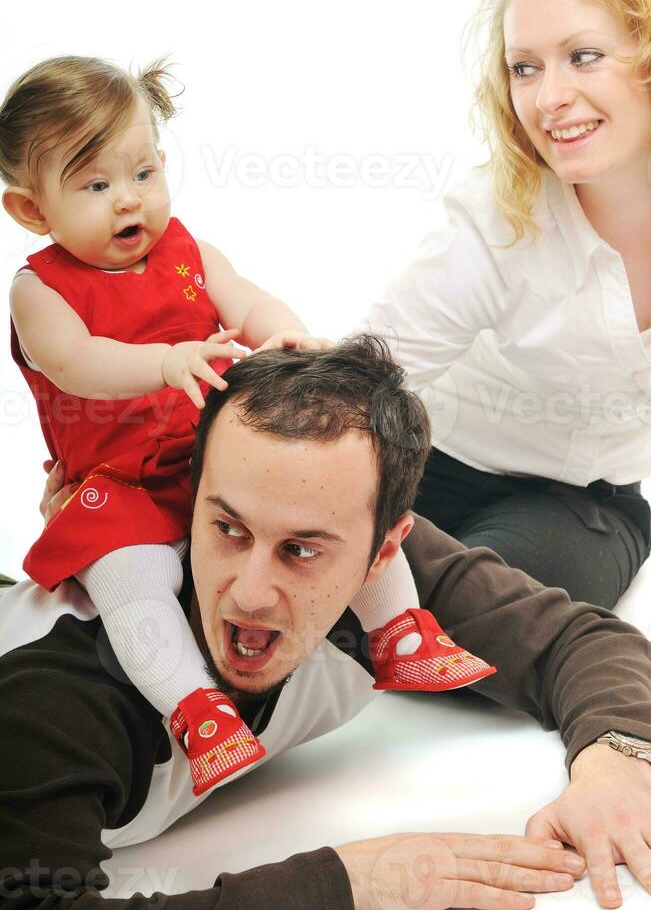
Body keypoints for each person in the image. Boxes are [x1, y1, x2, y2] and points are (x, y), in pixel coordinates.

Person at [2, 337, 651, 909]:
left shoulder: (387, 588)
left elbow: (573, 639)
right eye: (226, 528)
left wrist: (616, 757)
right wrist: (345, 884)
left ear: (382, 553)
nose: (251, 594)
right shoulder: (59, 695)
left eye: (301, 550)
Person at [0, 56, 491, 797]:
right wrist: (166, 363)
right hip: (121, 488)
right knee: (132, 582)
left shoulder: (187, 251)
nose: (128, 201)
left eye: (141, 174)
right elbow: (75, 364)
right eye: (95, 186)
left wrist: (289, 337)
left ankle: (400, 632)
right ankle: (198, 712)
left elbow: (251, 302)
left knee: (334, 507)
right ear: (32, 211)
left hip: (218, 468)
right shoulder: (39, 290)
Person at [362, 0, 651, 609]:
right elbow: (368, 380)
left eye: (582, 56)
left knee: (480, 616)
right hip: (422, 469)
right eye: (525, 67)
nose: (548, 97)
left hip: (578, 507)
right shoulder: (500, 213)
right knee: (280, 568)